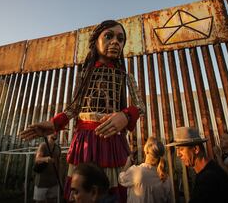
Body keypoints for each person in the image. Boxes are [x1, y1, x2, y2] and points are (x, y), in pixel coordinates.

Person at [21, 20, 145, 202]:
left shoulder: (126, 76)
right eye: (109, 36)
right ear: (96, 42)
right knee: (80, 191)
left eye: (120, 39)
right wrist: (53, 124)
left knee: (110, 190)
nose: (115, 42)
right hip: (84, 141)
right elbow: (73, 108)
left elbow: (141, 105)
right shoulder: (83, 75)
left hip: (112, 141)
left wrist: (126, 115)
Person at [166, 126, 228, 203]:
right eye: (177, 150)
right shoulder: (209, 171)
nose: (178, 154)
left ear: (196, 149)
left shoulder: (208, 178)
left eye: (181, 149)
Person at [119, 136, 172, 203]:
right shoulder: (166, 177)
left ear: (146, 151)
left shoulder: (137, 171)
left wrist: (127, 163)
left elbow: (121, 179)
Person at [33, 133, 61, 203]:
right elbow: (37, 159)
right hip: (42, 181)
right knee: (40, 201)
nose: (55, 134)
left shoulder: (58, 148)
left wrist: (59, 178)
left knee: (52, 200)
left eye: (56, 132)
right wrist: (46, 158)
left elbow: (58, 164)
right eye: (52, 132)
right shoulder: (43, 145)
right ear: (48, 134)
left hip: (53, 180)